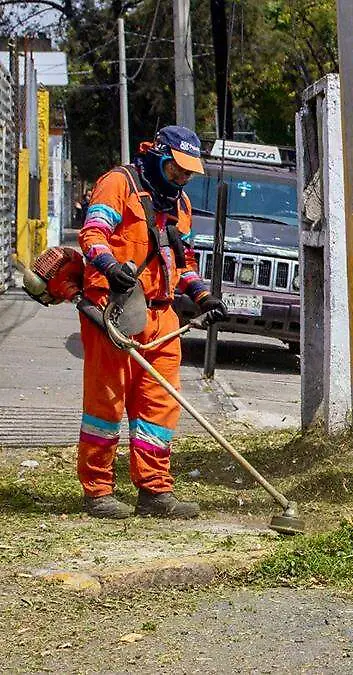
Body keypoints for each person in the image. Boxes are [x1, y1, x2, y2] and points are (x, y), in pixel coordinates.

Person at [77, 125, 226, 519]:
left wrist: (202, 296)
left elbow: (185, 262)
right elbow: (92, 235)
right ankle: (98, 492)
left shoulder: (181, 204)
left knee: (159, 408)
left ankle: (154, 491)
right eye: (177, 168)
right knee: (105, 404)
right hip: (115, 309)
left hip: (162, 315)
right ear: (158, 156)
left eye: (189, 171)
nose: (182, 176)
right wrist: (109, 266)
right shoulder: (118, 184)